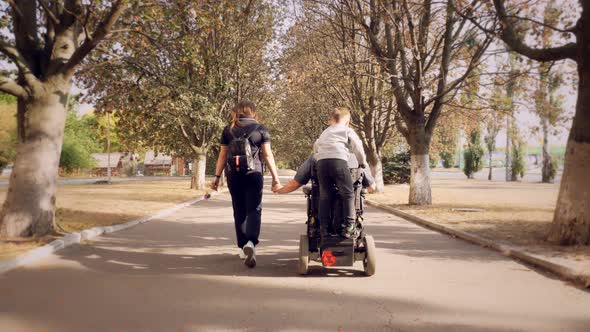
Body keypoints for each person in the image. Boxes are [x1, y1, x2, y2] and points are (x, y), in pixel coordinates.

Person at [211, 100, 281, 268]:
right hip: (254, 174)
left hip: (233, 176)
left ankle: (243, 246)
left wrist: (216, 177)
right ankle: (251, 242)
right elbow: (267, 155)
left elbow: (222, 155)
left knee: (239, 210)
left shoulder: (228, 129)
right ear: (253, 112)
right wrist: (275, 178)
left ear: (236, 112)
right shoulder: (261, 129)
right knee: (254, 209)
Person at [313, 107, 369, 239]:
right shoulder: (347, 130)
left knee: (325, 195)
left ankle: (324, 229)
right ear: (347, 120)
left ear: (333, 119)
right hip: (338, 161)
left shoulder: (325, 132)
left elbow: (316, 146)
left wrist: (320, 156)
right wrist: (362, 162)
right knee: (348, 194)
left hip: (321, 163)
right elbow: (357, 146)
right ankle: (349, 227)